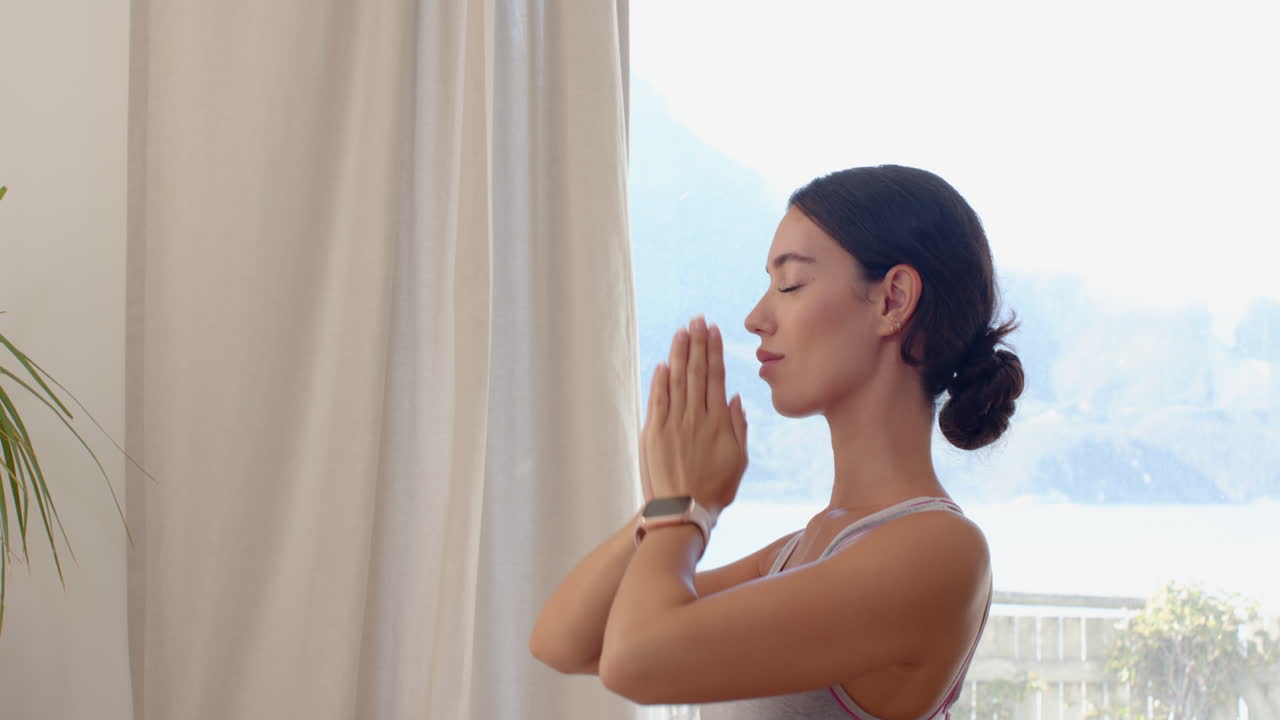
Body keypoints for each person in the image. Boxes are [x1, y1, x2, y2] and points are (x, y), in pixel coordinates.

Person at [530, 165, 1024, 719]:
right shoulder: (803, 548)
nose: (756, 318)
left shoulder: (937, 551)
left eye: (789, 284)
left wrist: (685, 506)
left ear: (893, 300)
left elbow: (635, 660)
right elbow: (565, 643)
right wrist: (669, 503)